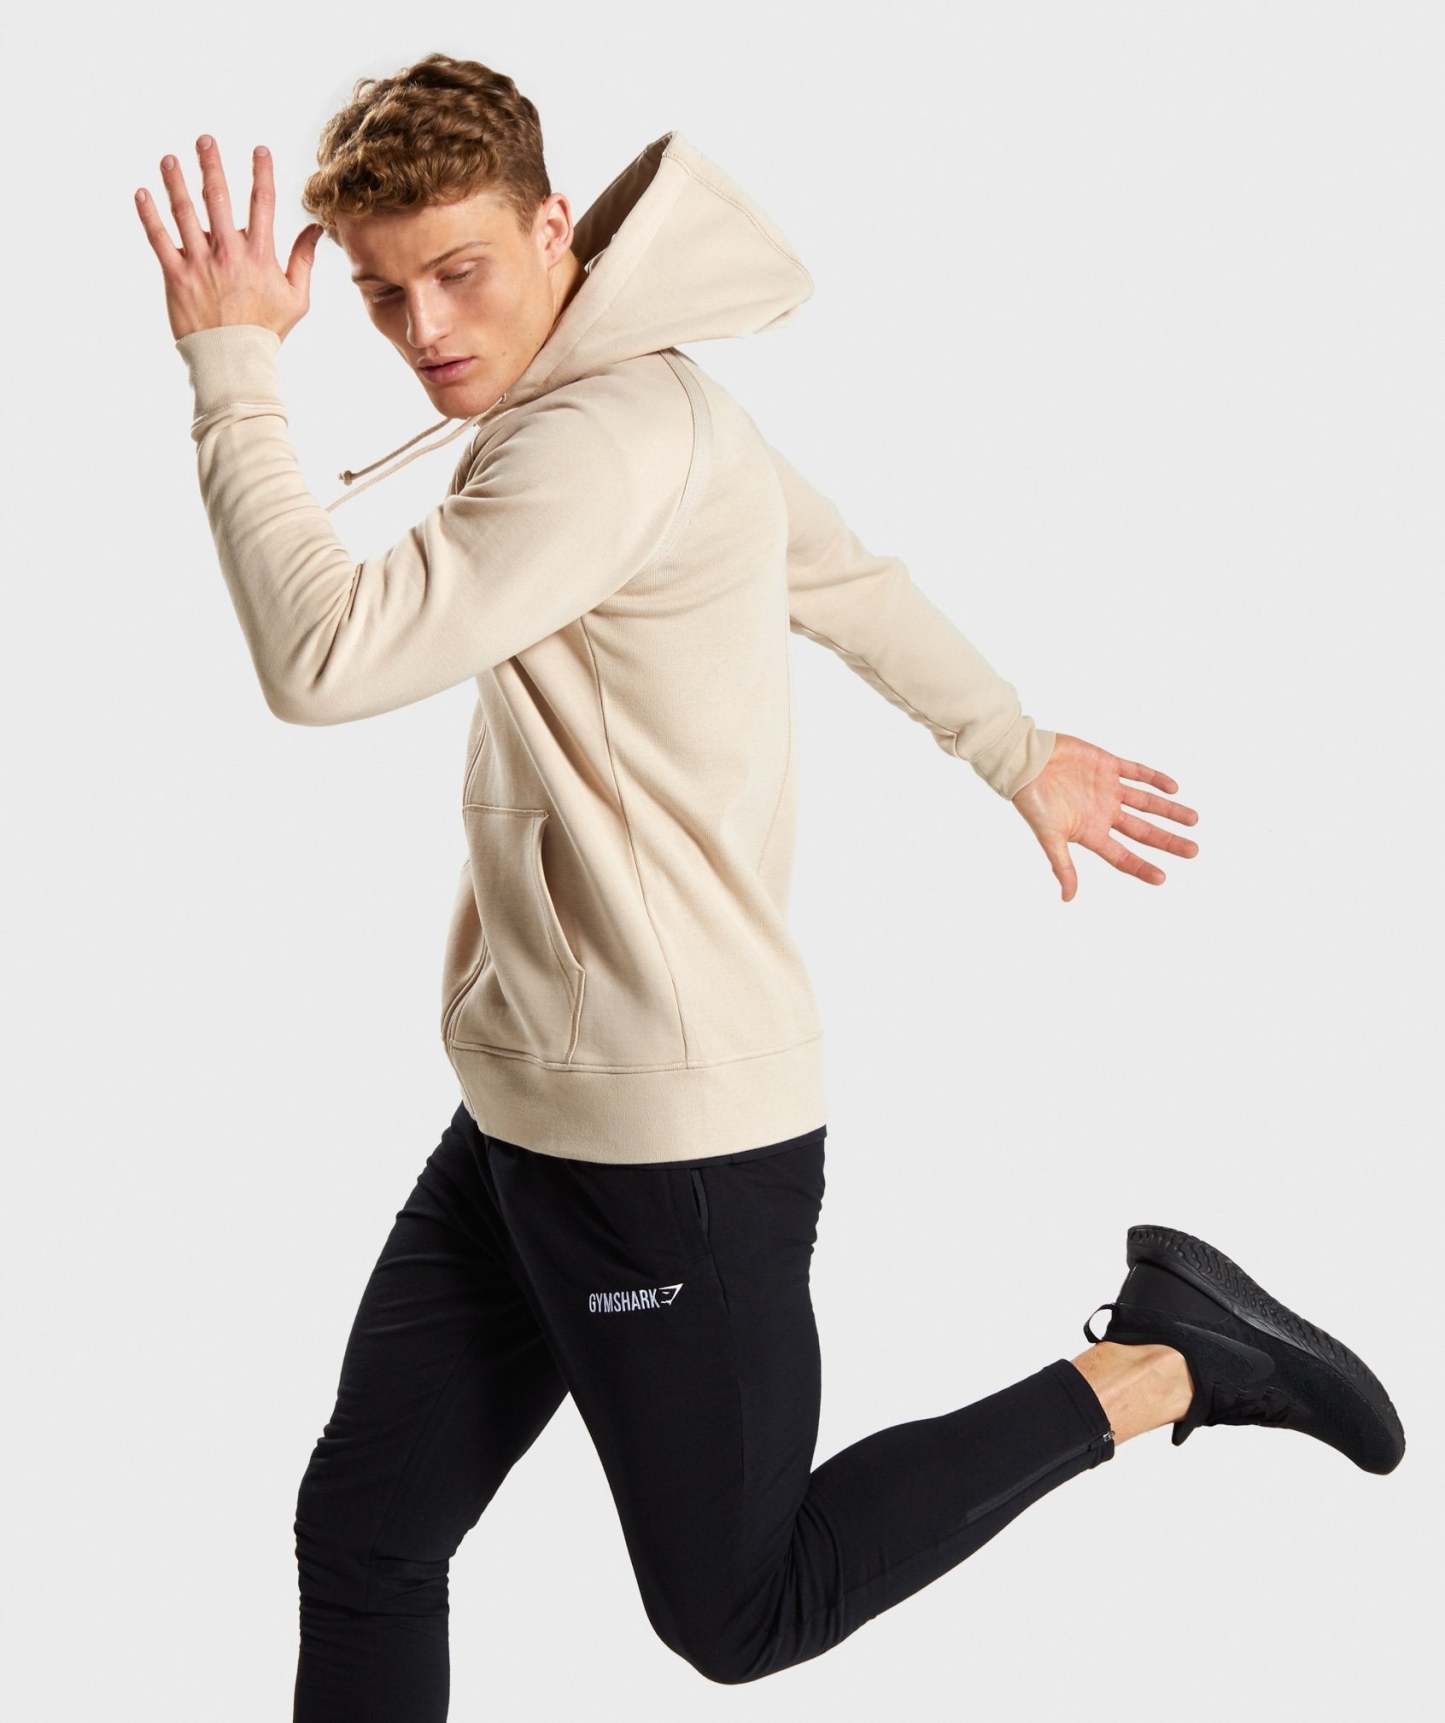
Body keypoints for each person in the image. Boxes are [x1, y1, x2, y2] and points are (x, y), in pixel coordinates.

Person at [136, 53, 1406, 1718]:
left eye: (459, 271)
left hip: (659, 1140)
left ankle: (1160, 1364)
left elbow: (321, 658)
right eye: (380, 294)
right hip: (528, 1103)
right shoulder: (645, 402)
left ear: (552, 226)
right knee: (366, 1533)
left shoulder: (600, 442)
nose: (423, 327)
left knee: (745, 1608)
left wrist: (235, 369)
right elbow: (844, 578)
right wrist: (1015, 748)